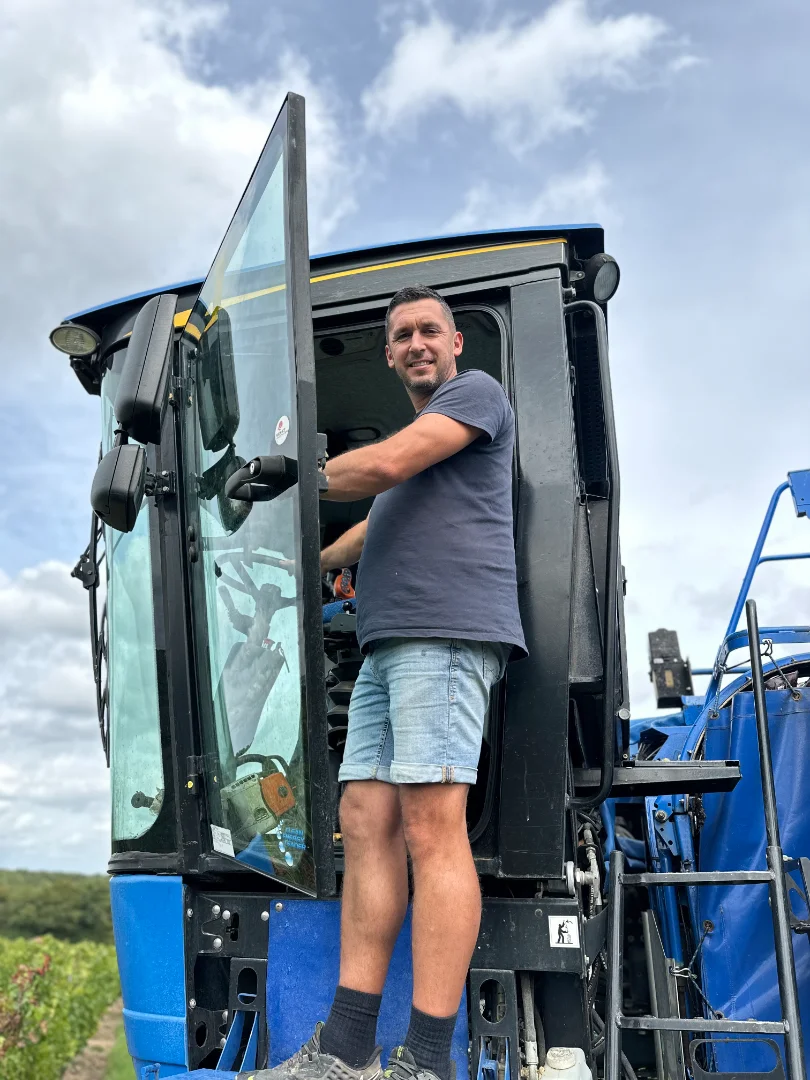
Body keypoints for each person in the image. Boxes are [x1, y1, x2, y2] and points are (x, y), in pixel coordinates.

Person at [242, 284, 526, 1080]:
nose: (415, 343)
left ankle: (427, 1061)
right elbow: (377, 518)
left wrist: (292, 473)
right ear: (391, 351)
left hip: (443, 633)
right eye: (401, 335)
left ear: (456, 342)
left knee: (432, 830)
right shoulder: (422, 443)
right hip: (388, 644)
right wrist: (300, 566)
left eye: (428, 329)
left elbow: (389, 465)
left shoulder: (474, 398)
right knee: (364, 818)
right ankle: (346, 1048)